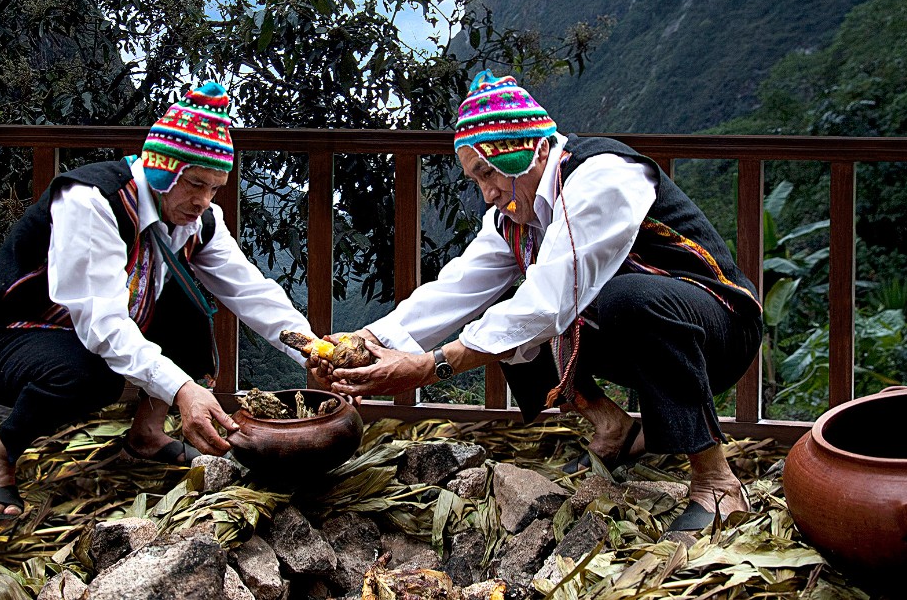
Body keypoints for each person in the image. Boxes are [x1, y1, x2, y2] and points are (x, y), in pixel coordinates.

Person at [312, 71, 763, 532]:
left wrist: (431, 366)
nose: (486, 193)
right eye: (475, 179)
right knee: (503, 312)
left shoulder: (602, 176)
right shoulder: (512, 219)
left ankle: (717, 481)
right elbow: (457, 288)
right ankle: (612, 427)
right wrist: (366, 340)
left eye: (488, 173)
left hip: (718, 327)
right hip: (641, 338)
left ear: (536, 151)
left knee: (613, 300)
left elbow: (547, 302)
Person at [0, 83, 317, 522]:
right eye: (195, 184)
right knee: (92, 375)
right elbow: (102, 326)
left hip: (92, 329)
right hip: (9, 338)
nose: (204, 200)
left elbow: (249, 290)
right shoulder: (93, 201)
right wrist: (183, 389)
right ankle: (0, 450)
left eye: (215, 188)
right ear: (163, 171)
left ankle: (146, 436)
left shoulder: (198, 218)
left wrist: (312, 351)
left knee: (189, 313)